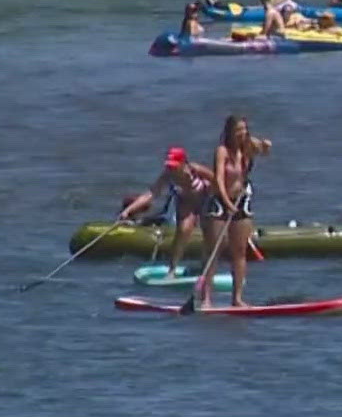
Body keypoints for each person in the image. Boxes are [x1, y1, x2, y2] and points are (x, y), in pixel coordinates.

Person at [195, 115, 271, 308]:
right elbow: (219, 178)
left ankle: (237, 298)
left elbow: (264, 150)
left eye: (244, 129)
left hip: (241, 200)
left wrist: (266, 146)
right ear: (229, 132)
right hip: (220, 201)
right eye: (238, 130)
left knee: (239, 251)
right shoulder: (222, 151)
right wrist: (227, 202)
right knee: (215, 250)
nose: (242, 133)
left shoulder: (247, 147)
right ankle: (206, 299)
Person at [116, 146, 215, 276]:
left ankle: (205, 268)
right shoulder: (168, 175)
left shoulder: (195, 169)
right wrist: (128, 211)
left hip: (205, 198)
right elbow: (151, 193)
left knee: (209, 232)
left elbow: (217, 180)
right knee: (183, 231)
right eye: (169, 165)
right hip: (186, 202)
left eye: (174, 165)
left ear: (183, 163)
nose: (171, 168)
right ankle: (172, 270)